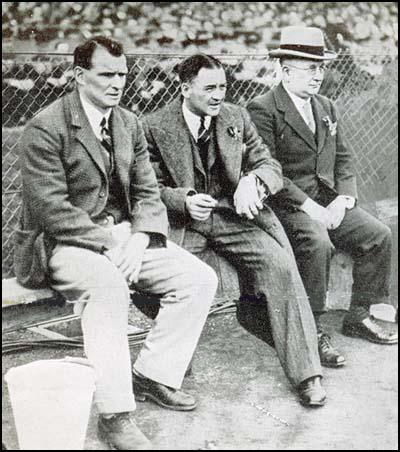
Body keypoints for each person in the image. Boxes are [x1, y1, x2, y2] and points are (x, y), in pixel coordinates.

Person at [14, 37, 218, 450]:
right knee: (108, 290)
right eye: (106, 74)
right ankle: (116, 415)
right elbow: (52, 209)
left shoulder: (127, 122)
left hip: (124, 238)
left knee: (199, 279)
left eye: (122, 74)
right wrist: (111, 243)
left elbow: (147, 191)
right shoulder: (45, 127)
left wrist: (141, 237)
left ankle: (153, 375)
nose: (117, 83)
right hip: (63, 243)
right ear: (78, 76)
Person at [142, 53, 327, 408]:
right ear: (184, 89)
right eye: (209, 88)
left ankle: (308, 375)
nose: (217, 95)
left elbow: (268, 163)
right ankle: (166, 370)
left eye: (223, 87)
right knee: (172, 282)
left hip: (232, 217)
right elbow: (147, 184)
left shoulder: (235, 116)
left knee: (280, 266)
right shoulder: (152, 125)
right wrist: (182, 200)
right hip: (185, 222)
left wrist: (253, 181)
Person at [247, 26, 397, 365]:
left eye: (321, 66)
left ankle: (358, 314)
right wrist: (313, 208)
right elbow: (271, 172)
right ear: (285, 70)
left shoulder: (326, 106)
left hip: (328, 200)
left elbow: (344, 158)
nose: (318, 74)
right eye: (310, 67)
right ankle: (311, 328)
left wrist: (344, 199)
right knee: (319, 244)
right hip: (286, 205)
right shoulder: (263, 109)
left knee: (378, 235)